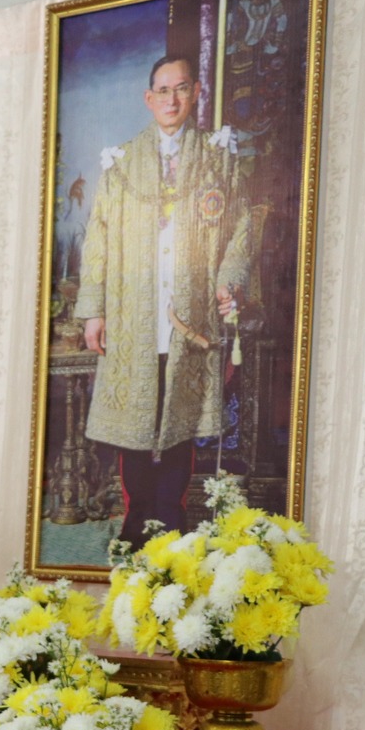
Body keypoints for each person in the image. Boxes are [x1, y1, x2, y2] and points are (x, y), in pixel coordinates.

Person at [73, 53, 255, 544]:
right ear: (148, 98)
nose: (171, 99)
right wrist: (93, 310)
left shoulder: (218, 159)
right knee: (136, 422)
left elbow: (239, 230)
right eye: (162, 90)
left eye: (181, 88)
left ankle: (170, 521)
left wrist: (228, 282)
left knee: (178, 418)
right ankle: (136, 523)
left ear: (195, 92)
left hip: (190, 315)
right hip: (135, 315)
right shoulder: (121, 163)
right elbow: (98, 239)